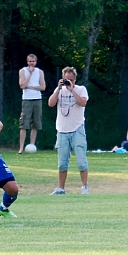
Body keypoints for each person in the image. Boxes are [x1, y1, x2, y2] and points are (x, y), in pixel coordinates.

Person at [47, 66, 89, 195]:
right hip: (62, 130)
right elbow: (50, 103)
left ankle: (84, 187)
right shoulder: (59, 90)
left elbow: (83, 103)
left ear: (75, 79)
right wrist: (59, 88)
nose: (68, 82)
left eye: (70, 80)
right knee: (62, 163)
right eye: (66, 79)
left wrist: (72, 90)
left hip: (77, 129)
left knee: (81, 161)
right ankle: (61, 188)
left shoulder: (81, 89)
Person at [18, 54, 46, 154]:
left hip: (37, 99)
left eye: (33, 61)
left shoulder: (40, 72)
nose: (31, 63)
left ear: (36, 61)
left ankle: (32, 145)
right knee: (24, 123)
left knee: (36, 123)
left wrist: (31, 87)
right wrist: (29, 75)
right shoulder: (22, 71)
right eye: (30, 61)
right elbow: (22, 85)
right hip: (26, 99)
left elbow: (43, 87)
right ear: (27, 61)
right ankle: (21, 148)